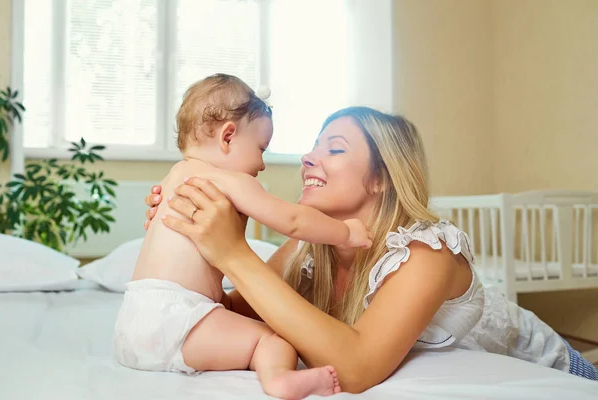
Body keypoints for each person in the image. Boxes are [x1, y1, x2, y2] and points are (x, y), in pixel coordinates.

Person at [146, 105, 598, 393]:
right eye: (313, 145)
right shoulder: (306, 249)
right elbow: (226, 313)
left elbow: (359, 368)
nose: (308, 157)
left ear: (380, 179)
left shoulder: (428, 249)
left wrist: (234, 254)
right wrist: (184, 239)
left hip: (562, 371)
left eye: (334, 148)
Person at [115, 74, 376, 399]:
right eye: (260, 149)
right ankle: (280, 380)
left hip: (131, 326)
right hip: (179, 319)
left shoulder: (174, 177)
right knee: (273, 342)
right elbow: (292, 220)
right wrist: (345, 232)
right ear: (228, 137)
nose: (262, 165)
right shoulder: (229, 180)